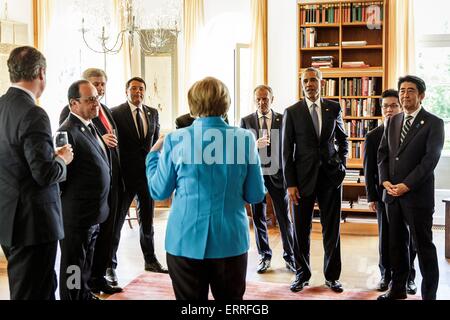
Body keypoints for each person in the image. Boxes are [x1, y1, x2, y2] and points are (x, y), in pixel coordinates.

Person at [146, 77, 266, 300]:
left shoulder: (175, 139)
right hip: (231, 241)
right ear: (226, 103)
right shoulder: (245, 139)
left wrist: (152, 157)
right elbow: (255, 194)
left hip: (184, 240)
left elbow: (159, 192)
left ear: (193, 104)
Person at [0, 46, 73, 300]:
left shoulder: (1, 107)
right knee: (35, 292)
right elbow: (44, 174)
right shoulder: (33, 113)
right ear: (41, 72)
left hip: (8, 219)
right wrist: (62, 159)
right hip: (34, 224)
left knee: (26, 288)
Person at [377, 75, 445, 300]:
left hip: (417, 197)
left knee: (423, 248)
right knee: (396, 246)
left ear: (421, 95)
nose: (405, 95)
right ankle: (397, 289)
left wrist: (406, 185)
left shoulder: (434, 123)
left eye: (411, 90)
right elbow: (383, 154)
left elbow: (430, 160)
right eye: (402, 90)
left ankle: (429, 295)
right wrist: (385, 180)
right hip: (392, 196)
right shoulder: (393, 121)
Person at [282, 67, 348, 293]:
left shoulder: (334, 107)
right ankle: (302, 274)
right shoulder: (292, 112)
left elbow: (343, 139)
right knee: (301, 229)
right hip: (301, 181)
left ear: (321, 82)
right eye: (305, 81)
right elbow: (285, 152)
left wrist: (341, 164)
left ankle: (332, 276)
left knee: (332, 230)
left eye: (313, 80)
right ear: (301, 84)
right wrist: (290, 183)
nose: (310, 84)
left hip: (330, 178)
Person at [59, 68, 124, 293]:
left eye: (96, 98)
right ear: (73, 104)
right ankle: (72, 297)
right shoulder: (67, 131)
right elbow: (61, 178)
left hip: (94, 214)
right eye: (89, 100)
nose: (96, 103)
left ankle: (84, 295)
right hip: (77, 216)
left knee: (85, 265)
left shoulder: (90, 125)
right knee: (73, 269)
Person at [111, 77, 167, 273]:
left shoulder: (152, 113)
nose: (138, 92)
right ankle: (110, 265)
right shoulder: (115, 113)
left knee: (148, 221)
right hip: (125, 177)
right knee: (116, 223)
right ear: (126, 91)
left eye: (141, 89)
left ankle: (150, 261)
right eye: (134, 88)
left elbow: (155, 146)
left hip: (147, 177)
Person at [363, 89, 417, 293]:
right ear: (381, 108)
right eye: (385, 106)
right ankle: (386, 275)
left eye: (394, 105)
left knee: (408, 238)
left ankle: (409, 277)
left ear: (401, 106)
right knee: (385, 238)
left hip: (407, 193)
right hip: (384, 196)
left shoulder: (410, 132)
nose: (389, 109)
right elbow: (369, 169)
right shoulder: (373, 135)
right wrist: (371, 196)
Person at [240, 85, 295, 274]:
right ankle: (265, 256)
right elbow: (241, 150)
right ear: (254, 99)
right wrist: (253, 145)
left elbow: (290, 146)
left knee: (284, 218)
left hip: (279, 177)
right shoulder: (246, 121)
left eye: (265, 99)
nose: (262, 102)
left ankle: (290, 257)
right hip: (256, 176)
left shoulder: (284, 118)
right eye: (258, 99)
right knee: (258, 218)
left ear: (272, 99)